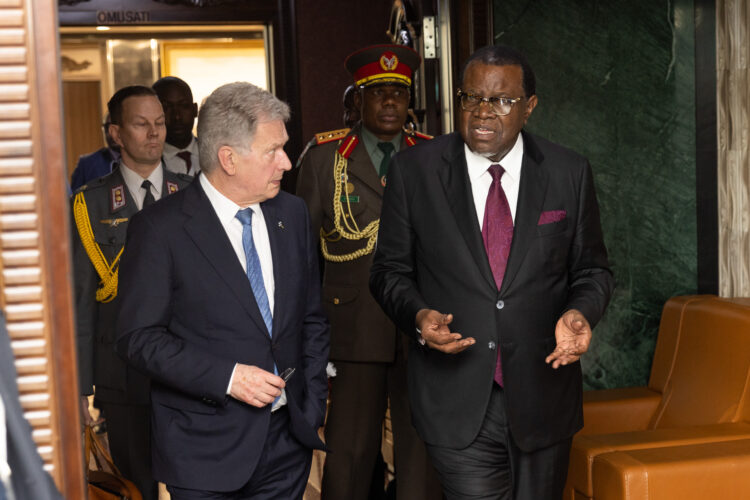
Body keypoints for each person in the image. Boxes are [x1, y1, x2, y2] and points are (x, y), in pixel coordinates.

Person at [369, 45, 614, 499]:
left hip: (543, 396)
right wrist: (419, 317)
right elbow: (389, 272)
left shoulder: (568, 172)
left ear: (530, 107)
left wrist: (581, 313)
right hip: (454, 398)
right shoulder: (414, 171)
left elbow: (592, 269)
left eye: (501, 100)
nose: (483, 111)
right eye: (471, 97)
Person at [115, 82, 330, 500]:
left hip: (287, 444)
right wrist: (227, 377)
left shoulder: (292, 213)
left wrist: (312, 405)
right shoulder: (160, 229)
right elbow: (137, 339)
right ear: (228, 158)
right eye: (273, 151)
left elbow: (311, 319)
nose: (286, 162)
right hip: (202, 450)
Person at [297, 44, 441, 500]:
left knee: (421, 449)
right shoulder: (325, 158)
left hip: (422, 323)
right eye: (378, 93)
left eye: (399, 93)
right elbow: (302, 255)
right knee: (350, 452)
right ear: (358, 100)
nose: (390, 102)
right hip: (353, 324)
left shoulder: (436, 156)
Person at [72, 85, 192, 500]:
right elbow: (81, 303)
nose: (154, 133)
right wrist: (80, 388)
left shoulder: (193, 194)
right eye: (141, 124)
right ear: (116, 134)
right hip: (120, 371)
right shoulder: (90, 205)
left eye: (158, 124)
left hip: (187, 367)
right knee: (133, 486)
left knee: (194, 483)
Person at [152, 76, 200, 175]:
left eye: (184, 106)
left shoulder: (214, 154)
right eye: (166, 108)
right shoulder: (146, 162)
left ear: (195, 109)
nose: (177, 116)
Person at [69, 112, 121, 191]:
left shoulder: (141, 160)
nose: (113, 133)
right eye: (108, 127)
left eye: (117, 127)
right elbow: (75, 200)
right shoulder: (86, 165)